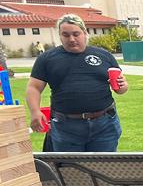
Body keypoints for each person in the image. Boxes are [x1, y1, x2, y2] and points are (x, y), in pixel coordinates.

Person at [26, 14, 128, 152]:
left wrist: (123, 85)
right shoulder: (47, 59)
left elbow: (121, 89)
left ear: (85, 33)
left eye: (76, 34)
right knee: (69, 170)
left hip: (104, 124)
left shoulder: (104, 55)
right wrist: (34, 111)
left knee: (105, 168)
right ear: (60, 36)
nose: (72, 39)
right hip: (66, 126)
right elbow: (34, 87)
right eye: (66, 35)